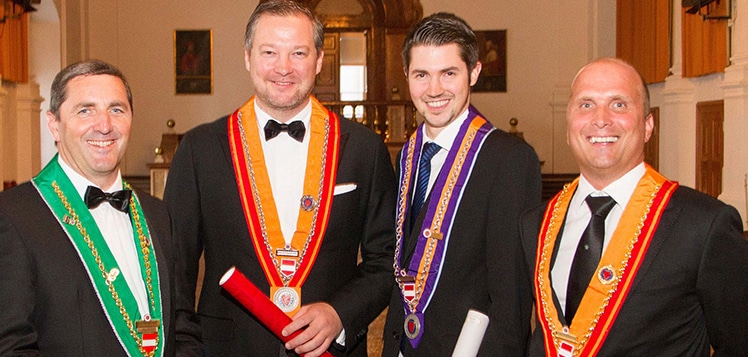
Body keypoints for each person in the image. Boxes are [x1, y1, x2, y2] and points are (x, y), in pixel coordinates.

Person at [163, 1, 397, 356]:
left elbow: (386, 261)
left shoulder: (364, 149)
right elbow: (173, 267)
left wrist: (339, 313)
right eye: (269, 52)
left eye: (298, 53)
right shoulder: (199, 150)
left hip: (330, 350)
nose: (283, 68)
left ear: (318, 59)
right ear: (248, 57)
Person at [521, 57, 748, 356]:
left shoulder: (704, 225)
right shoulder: (536, 224)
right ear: (568, 127)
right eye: (586, 105)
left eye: (619, 104)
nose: (600, 119)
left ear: (647, 125)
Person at [0, 60, 202, 355]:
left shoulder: (158, 215)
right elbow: (11, 347)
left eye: (116, 109)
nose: (105, 125)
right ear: (53, 124)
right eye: (85, 110)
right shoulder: (13, 216)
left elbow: (182, 328)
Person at [382, 12, 542, 356]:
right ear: (407, 76)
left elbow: (511, 300)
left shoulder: (508, 159)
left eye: (448, 73)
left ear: (474, 72)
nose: (434, 90)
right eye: (421, 75)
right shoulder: (408, 154)